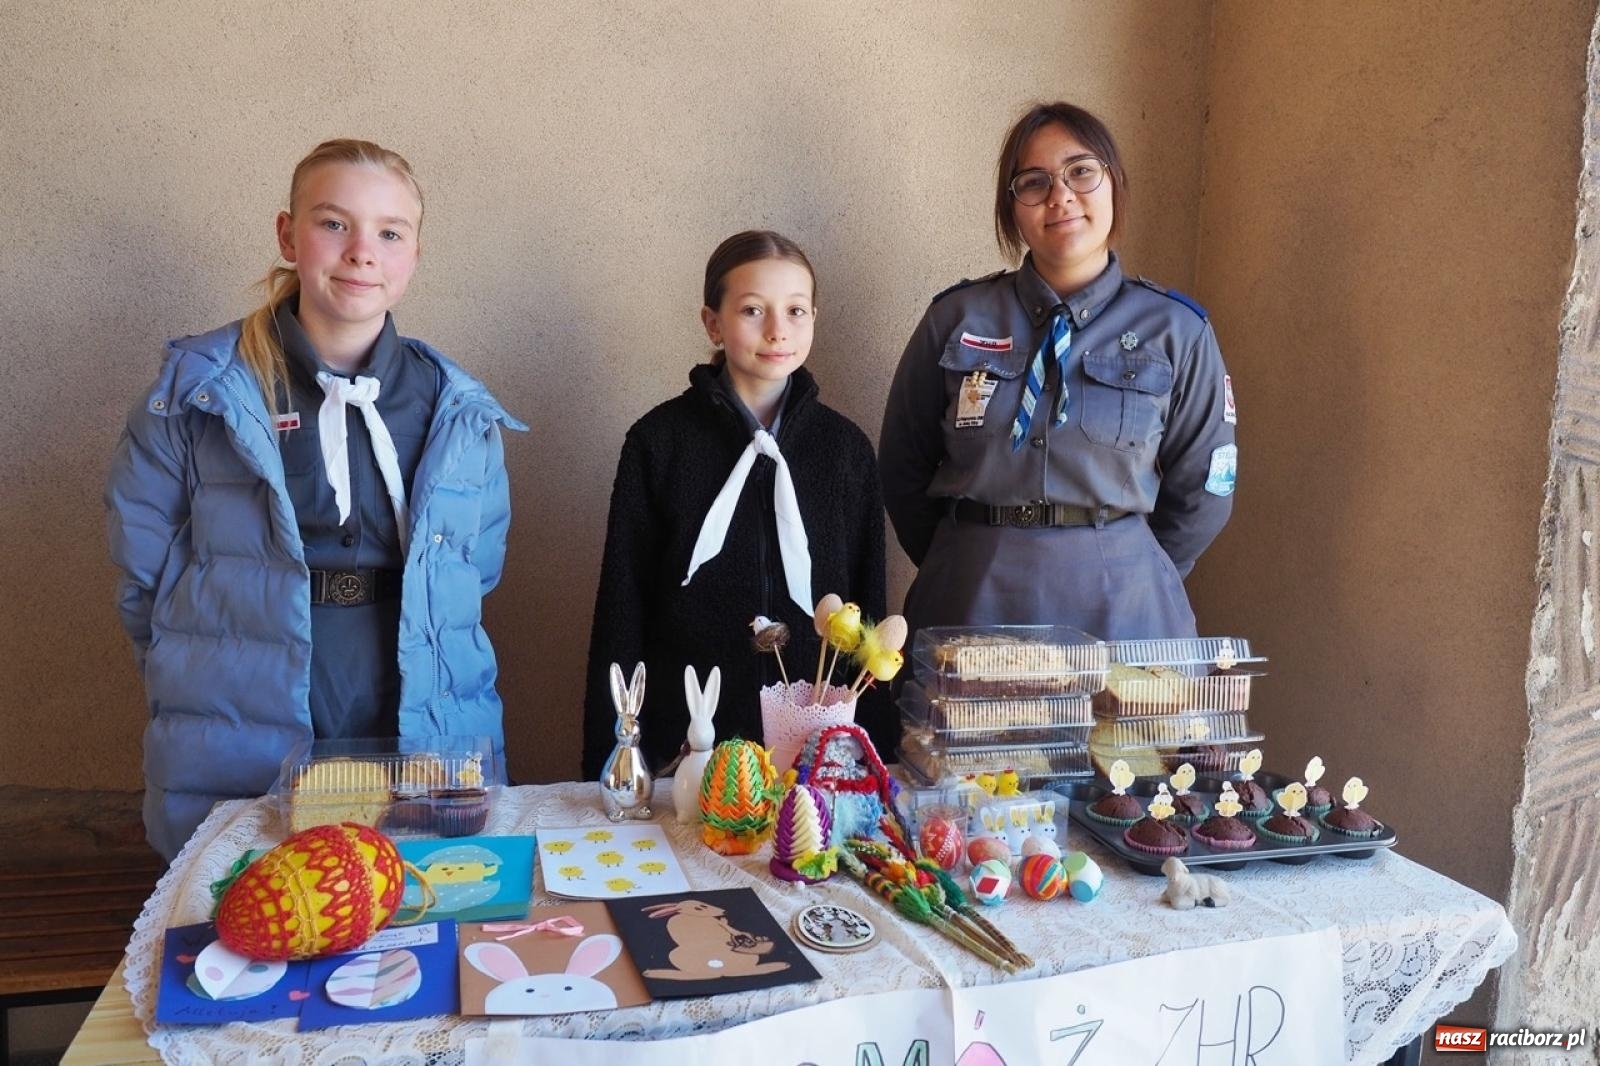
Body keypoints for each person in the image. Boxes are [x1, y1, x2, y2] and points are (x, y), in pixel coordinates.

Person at [106, 139, 524, 860]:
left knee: (417, 909)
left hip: (411, 698)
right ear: (287, 234)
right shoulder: (198, 395)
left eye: (390, 233)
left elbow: (476, 571)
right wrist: (200, 672)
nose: (363, 251)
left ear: (414, 254)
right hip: (249, 699)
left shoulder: (457, 408)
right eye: (334, 223)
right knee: (258, 914)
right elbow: (143, 574)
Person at [879, 102, 1236, 641]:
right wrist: (966, 551)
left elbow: (1205, 489)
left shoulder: (1177, 330)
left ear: (1113, 182)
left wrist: (1129, 560)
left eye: (1081, 172)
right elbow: (903, 465)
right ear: (1012, 208)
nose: (1061, 196)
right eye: (1034, 181)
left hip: (1124, 604)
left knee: (1117, 727)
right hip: (973, 597)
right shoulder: (956, 318)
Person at [582, 230, 892, 780]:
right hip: (689, 739)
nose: (778, 330)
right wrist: (613, 757)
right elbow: (622, 608)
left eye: (796, 311)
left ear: (815, 318)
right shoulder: (659, 442)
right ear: (712, 323)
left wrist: (878, 754)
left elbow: (867, 607)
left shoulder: (845, 449)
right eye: (753, 310)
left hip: (817, 755)